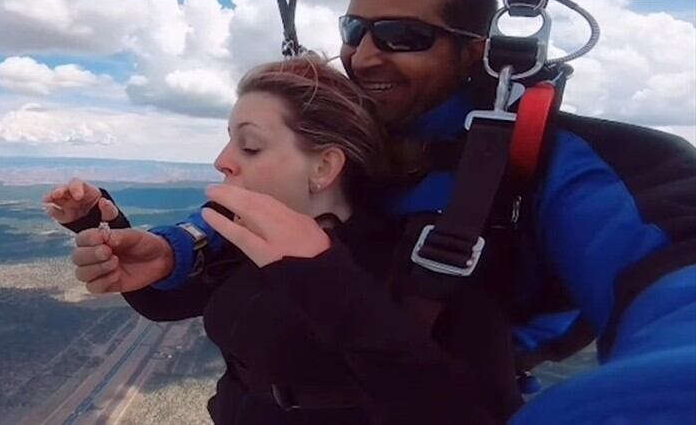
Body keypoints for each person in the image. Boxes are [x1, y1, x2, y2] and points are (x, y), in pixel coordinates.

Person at [51, 0, 696, 425]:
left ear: (479, 51)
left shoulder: (561, 164)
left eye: (403, 37)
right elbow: (243, 230)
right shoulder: (344, 144)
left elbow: (677, 296)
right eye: (354, 31)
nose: (364, 56)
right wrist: (163, 248)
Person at [46, 56, 523, 424]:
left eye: (249, 145)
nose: (222, 160)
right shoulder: (251, 245)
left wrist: (323, 281)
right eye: (229, 140)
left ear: (324, 167)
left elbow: (468, 412)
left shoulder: (421, 268)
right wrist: (99, 228)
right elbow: (167, 305)